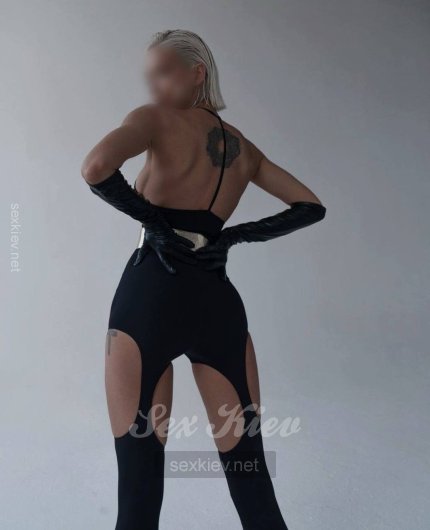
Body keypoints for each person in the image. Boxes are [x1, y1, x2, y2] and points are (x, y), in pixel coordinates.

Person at [81, 29, 325, 530]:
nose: (153, 87)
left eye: (163, 73)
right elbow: (310, 206)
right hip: (217, 300)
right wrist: (231, 237)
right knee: (249, 471)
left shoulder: (152, 119)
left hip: (149, 296)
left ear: (198, 73)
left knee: (139, 478)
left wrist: (153, 222)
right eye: (149, 77)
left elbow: (96, 167)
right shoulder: (244, 149)